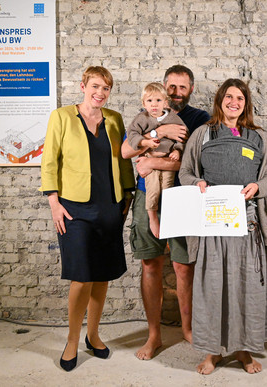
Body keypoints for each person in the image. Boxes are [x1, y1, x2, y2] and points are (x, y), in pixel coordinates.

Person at [179, 78, 267, 375]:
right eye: (228, 96)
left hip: (247, 226)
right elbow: (185, 172)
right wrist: (196, 182)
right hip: (211, 226)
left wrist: (257, 187)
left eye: (239, 97)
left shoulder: (259, 137)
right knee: (212, 289)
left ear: (246, 103)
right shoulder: (202, 134)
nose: (233, 102)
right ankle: (211, 353)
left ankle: (243, 350)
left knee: (246, 289)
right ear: (220, 100)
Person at [39, 66, 135, 372]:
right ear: (83, 86)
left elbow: (122, 159)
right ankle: (72, 339)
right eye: (95, 86)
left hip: (110, 205)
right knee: (81, 276)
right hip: (73, 208)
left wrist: (129, 194)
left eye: (106, 88)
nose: (100, 93)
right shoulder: (62, 117)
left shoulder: (114, 119)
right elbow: (49, 159)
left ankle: (93, 335)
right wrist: (53, 201)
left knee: (102, 274)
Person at [121, 65, 210, 360]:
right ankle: (154, 335)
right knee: (150, 264)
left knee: (184, 265)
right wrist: (160, 131)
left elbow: (195, 165)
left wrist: (152, 164)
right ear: (162, 88)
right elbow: (126, 151)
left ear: (191, 90)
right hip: (147, 196)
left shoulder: (200, 119)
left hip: (183, 196)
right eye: (171, 87)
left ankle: (188, 329)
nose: (175, 93)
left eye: (182, 88)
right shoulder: (145, 115)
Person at [125, 82, 188, 238]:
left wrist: (177, 150)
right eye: (149, 101)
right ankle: (152, 216)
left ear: (165, 102)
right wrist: (146, 142)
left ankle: (167, 219)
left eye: (158, 101)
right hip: (150, 158)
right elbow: (132, 135)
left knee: (167, 189)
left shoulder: (173, 118)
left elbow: (183, 137)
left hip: (168, 161)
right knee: (152, 189)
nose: (154, 105)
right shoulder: (141, 118)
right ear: (143, 103)